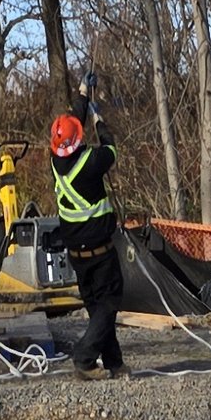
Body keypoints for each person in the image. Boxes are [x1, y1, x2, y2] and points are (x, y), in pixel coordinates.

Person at [50, 106, 126, 377]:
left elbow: (71, 125)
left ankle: (114, 363)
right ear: (79, 140)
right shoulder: (91, 162)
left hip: (76, 253)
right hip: (99, 251)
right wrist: (99, 121)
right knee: (109, 302)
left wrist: (82, 94)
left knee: (97, 308)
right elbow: (111, 148)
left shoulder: (55, 160)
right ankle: (84, 357)